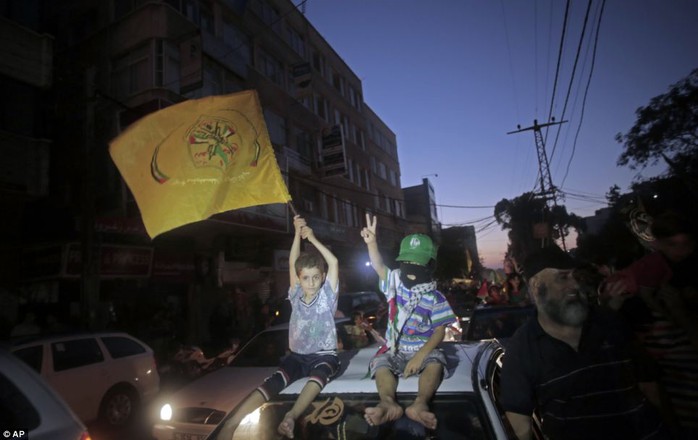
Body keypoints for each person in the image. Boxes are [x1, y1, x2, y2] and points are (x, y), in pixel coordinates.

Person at [500, 246, 671, 440]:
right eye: (563, 277)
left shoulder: (610, 323)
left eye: (575, 276)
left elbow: (650, 385)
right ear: (536, 287)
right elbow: (519, 427)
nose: (574, 284)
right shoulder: (523, 349)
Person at [226, 215, 340, 438]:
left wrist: (313, 238)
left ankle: (291, 416)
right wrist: (296, 233)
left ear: (322, 277)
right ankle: (232, 423)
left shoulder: (328, 296)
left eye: (316, 277)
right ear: (299, 279)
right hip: (297, 356)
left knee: (318, 377)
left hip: (324, 355)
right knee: (272, 382)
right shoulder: (296, 294)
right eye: (306, 278)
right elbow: (291, 262)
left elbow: (334, 262)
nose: (311, 283)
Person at [601, 210, 698, 435]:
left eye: (686, 244)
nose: (680, 252)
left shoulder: (680, 282)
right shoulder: (646, 279)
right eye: (673, 244)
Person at [360, 214, 457, 430]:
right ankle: (387, 402)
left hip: (422, 352)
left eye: (417, 263)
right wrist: (372, 243)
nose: (410, 268)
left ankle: (420, 404)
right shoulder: (394, 282)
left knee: (435, 361)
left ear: (430, 266)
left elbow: (439, 332)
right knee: (381, 364)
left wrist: (420, 356)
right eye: (407, 262)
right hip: (396, 350)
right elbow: (379, 267)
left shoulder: (435, 297)